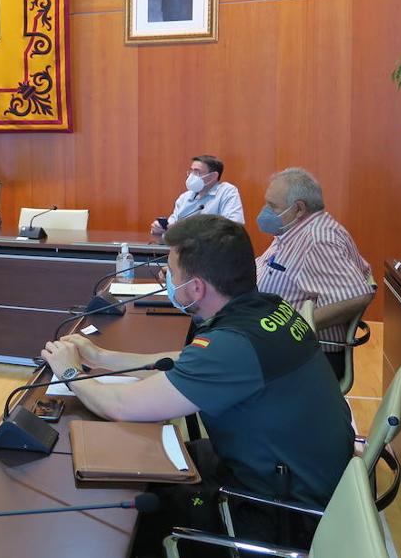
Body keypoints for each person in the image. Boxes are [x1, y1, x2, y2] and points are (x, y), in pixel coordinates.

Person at [41, 215, 352, 553]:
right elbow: (187, 362)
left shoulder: (233, 347)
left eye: (172, 274)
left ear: (197, 288)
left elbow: (120, 406)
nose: (168, 282)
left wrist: (71, 374)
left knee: (134, 508)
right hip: (301, 477)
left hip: (280, 511)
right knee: (149, 465)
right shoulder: (269, 310)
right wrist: (103, 358)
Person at [256, 168, 374, 379]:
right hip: (283, 345)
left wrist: (291, 325)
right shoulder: (292, 230)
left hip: (305, 355)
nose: (265, 211)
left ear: (299, 209)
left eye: (272, 206)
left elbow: (358, 295)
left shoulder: (317, 240)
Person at [150, 155, 244, 235]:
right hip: (183, 251)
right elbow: (172, 224)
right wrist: (160, 228)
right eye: (191, 171)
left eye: (197, 172)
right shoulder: (185, 197)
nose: (191, 176)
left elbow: (234, 226)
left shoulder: (227, 191)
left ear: (213, 176)